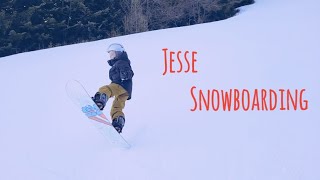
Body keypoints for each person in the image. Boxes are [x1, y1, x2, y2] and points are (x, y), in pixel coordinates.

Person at [92, 43, 134, 133]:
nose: (110, 56)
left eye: (112, 54)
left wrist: (125, 74)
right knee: (116, 108)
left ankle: (100, 100)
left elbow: (129, 72)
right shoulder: (118, 63)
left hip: (121, 85)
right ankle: (118, 123)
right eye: (110, 54)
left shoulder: (121, 62)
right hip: (126, 91)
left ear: (118, 53)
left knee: (106, 89)